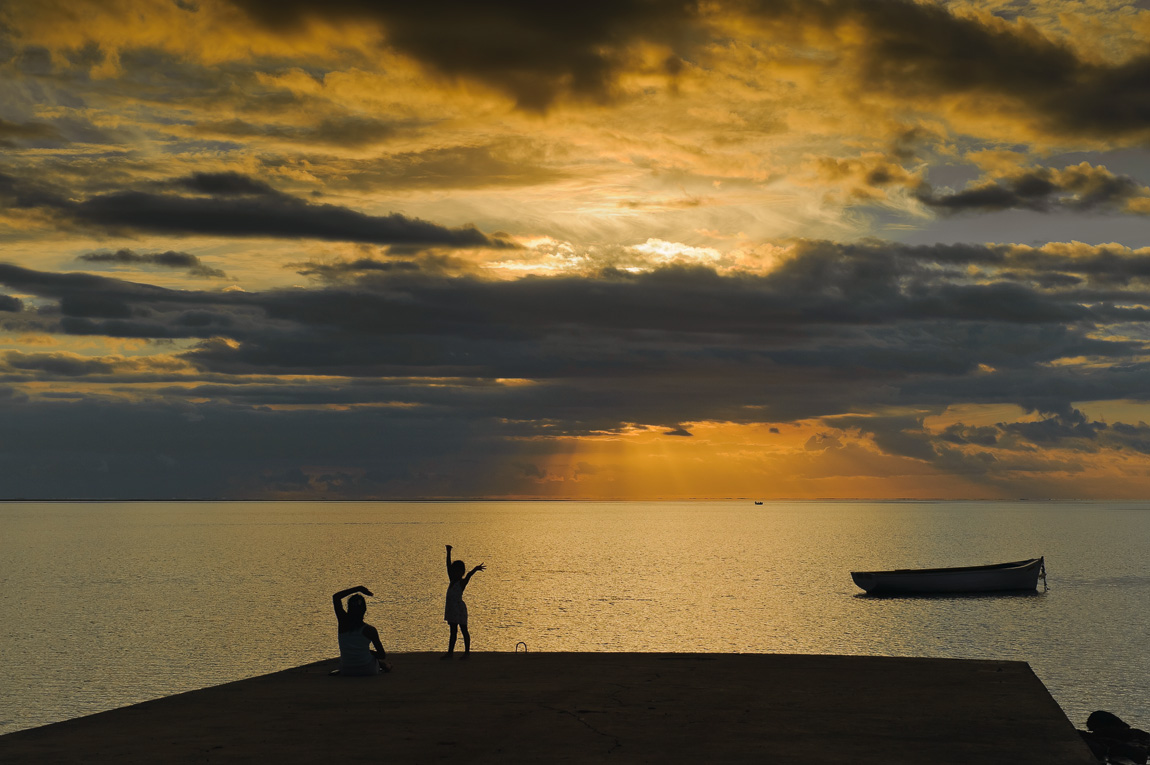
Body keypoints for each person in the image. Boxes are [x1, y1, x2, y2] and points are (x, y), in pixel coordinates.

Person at [332, 585, 391, 676]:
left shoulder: (343, 623)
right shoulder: (370, 630)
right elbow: (382, 655)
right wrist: (370, 652)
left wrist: (358, 588)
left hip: (346, 670)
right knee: (377, 661)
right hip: (368, 670)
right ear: (364, 610)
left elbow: (336, 597)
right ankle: (386, 666)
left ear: (349, 608)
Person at [442, 545, 485, 659]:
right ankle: (450, 652)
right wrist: (448, 552)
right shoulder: (452, 580)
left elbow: (469, 575)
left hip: (459, 610)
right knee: (453, 631)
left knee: (463, 630)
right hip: (451, 609)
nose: (455, 573)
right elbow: (448, 566)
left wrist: (476, 569)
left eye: (458, 571)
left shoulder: (461, 582)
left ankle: (467, 653)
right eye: (454, 571)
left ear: (461, 572)